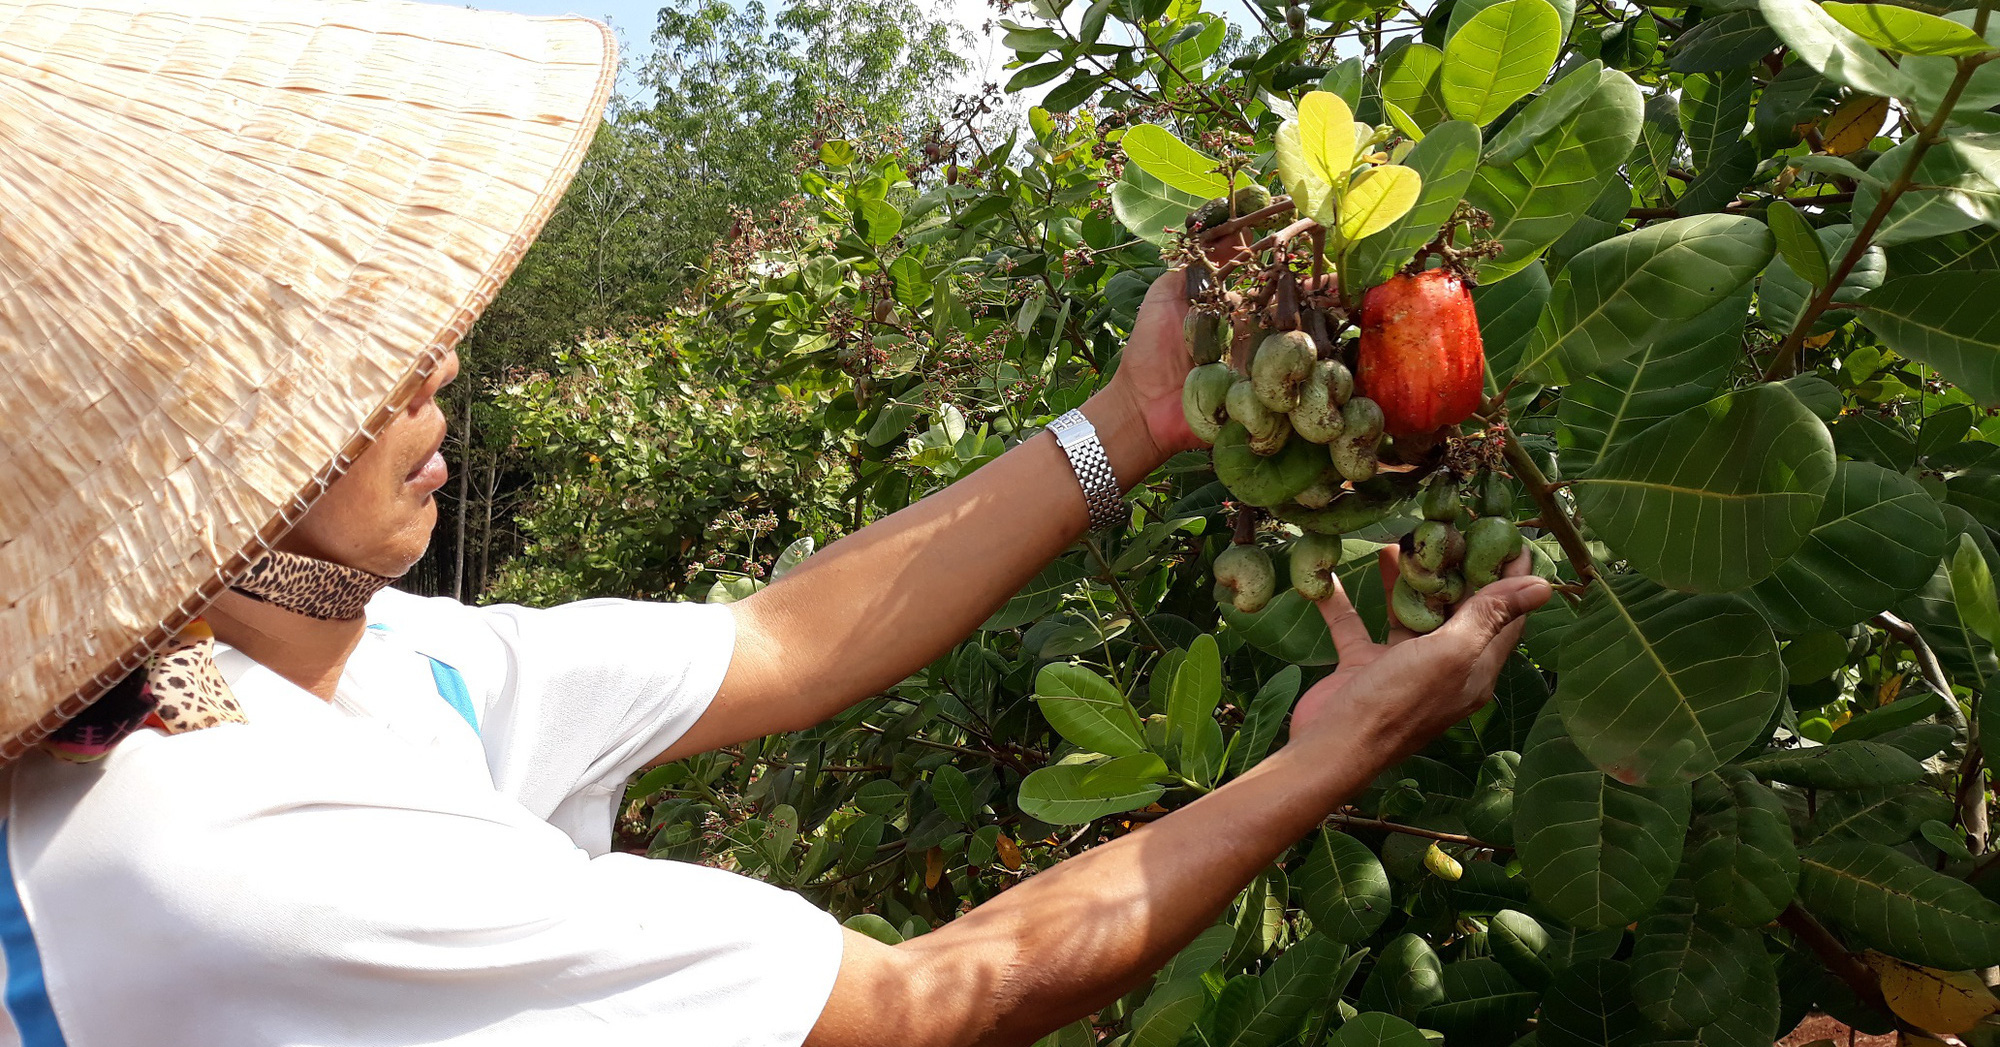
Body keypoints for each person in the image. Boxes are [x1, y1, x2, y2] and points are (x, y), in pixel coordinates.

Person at [0, 1, 1552, 1044]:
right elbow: (917, 1003)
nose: (442, 363)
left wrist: (1130, 424)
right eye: (365, 352)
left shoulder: (352, 658)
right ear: (211, 472)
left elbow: (775, 638)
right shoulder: (231, 853)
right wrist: (1334, 757)